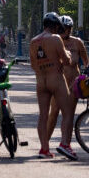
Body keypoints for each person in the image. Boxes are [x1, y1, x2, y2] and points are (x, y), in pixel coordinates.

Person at [30, 13, 76, 160]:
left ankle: (44, 149)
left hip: (41, 81)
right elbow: (67, 61)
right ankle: (65, 144)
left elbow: (33, 65)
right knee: (68, 112)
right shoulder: (55, 38)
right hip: (56, 78)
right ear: (55, 26)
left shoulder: (33, 41)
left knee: (43, 116)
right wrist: (67, 54)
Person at [46, 15, 87, 141]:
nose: (66, 31)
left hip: (73, 85)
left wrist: (88, 72)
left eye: (69, 28)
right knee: (54, 113)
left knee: (68, 115)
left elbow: (86, 62)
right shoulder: (54, 42)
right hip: (58, 84)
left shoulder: (77, 42)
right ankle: (45, 143)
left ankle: (65, 144)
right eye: (64, 28)